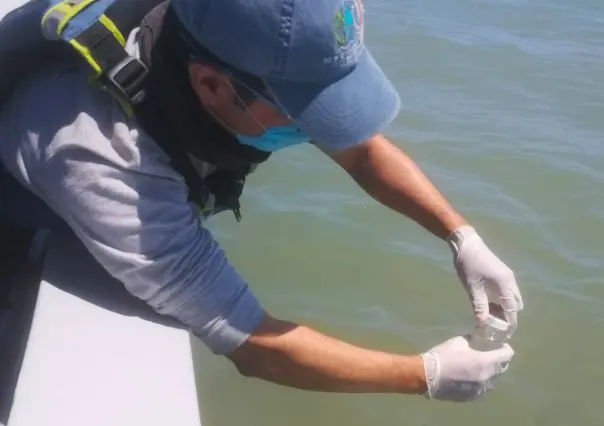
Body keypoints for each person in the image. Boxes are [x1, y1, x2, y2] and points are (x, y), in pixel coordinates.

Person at [0, 0, 523, 403]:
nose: (320, 130)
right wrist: (424, 375)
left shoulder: (226, 47)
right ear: (209, 84)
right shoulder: (104, 155)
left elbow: (360, 151)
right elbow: (250, 341)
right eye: (302, 111)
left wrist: (461, 236)